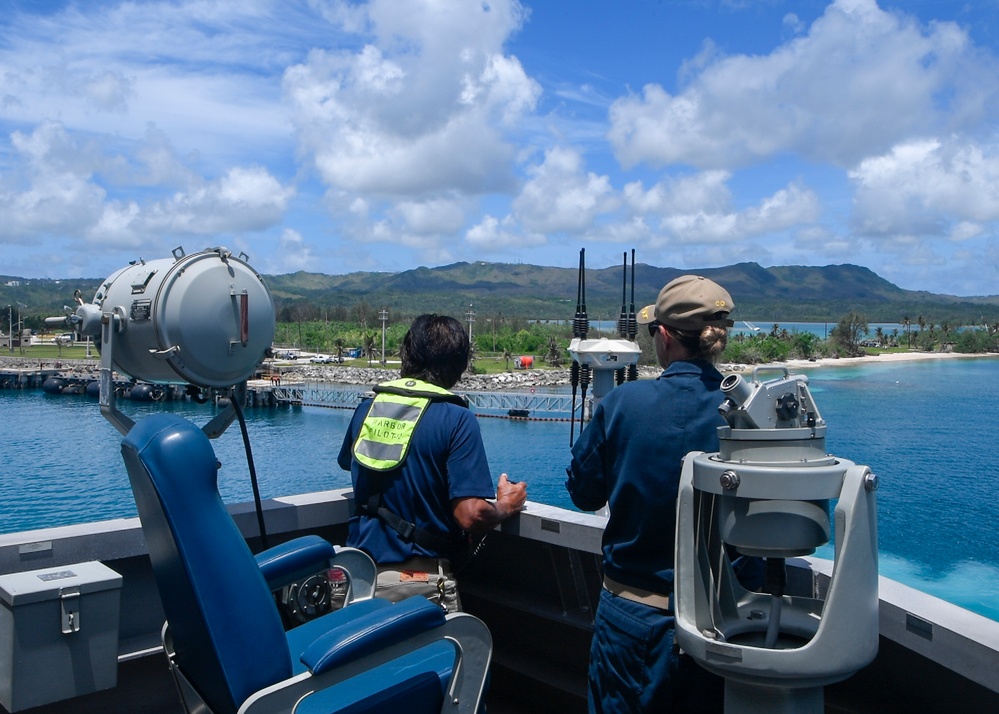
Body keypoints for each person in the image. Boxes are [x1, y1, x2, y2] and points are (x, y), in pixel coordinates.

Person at [565, 275, 734, 713]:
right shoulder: (745, 413)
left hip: (633, 620)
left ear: (662, 337)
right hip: (725, 627)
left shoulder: (622, 404)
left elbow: (583, 494)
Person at [338, 313, 527, 611]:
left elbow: (355, 464)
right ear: (460, 365)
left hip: (355, 578)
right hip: (416, 586)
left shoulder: (367, 409)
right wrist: (506, 505)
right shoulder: (457, 419)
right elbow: (470, 515)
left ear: (406, 354)